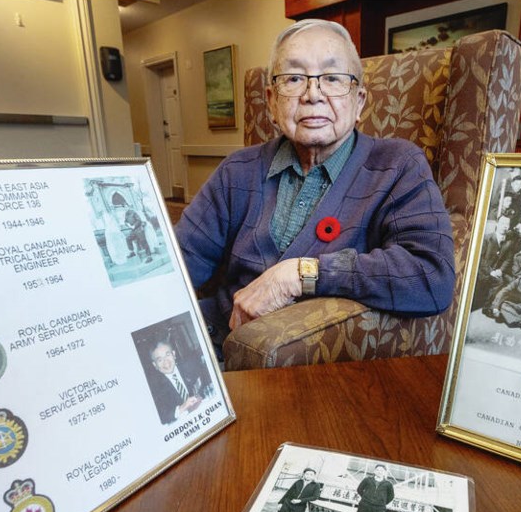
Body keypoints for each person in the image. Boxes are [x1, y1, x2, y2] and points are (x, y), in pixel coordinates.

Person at [174, 19, 456, 353]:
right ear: (272, 101)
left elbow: (431, 277)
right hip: (213, 343)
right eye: (293, 79)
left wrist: (300, 274)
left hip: (315, 368)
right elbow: (176, 267)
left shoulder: (397, 165)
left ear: (360, 100)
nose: (312, 95)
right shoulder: (237, 170)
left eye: (333, 78)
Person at [147, 340, 210, 425]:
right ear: (155, 365)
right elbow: (161, 416)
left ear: (174, 354)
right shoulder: (154, 388)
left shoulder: (190, 365)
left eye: (168, 355)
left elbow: (208, 380)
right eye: (160, 360)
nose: (166, 362)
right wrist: (181, 408)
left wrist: (202, 394)